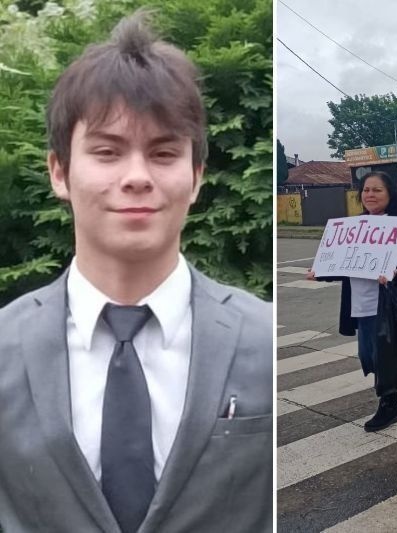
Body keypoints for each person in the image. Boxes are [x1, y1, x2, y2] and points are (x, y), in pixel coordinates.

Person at [0, 14, 271, 533]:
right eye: (106, 152)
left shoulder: (260, 336)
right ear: (59, 171)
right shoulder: (5, 345)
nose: (137, 178)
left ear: (195, 179)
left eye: (164, 152)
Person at [308, 171, 397, 431]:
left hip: (388, 303)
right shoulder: (356, 226)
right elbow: (343, 262)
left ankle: (390, 406)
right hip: (360, 302)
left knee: (383, 355)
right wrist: (321, 272)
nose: (370, 195)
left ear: (389, 194)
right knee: (368, 355)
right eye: (366, 190)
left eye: (377, 190)